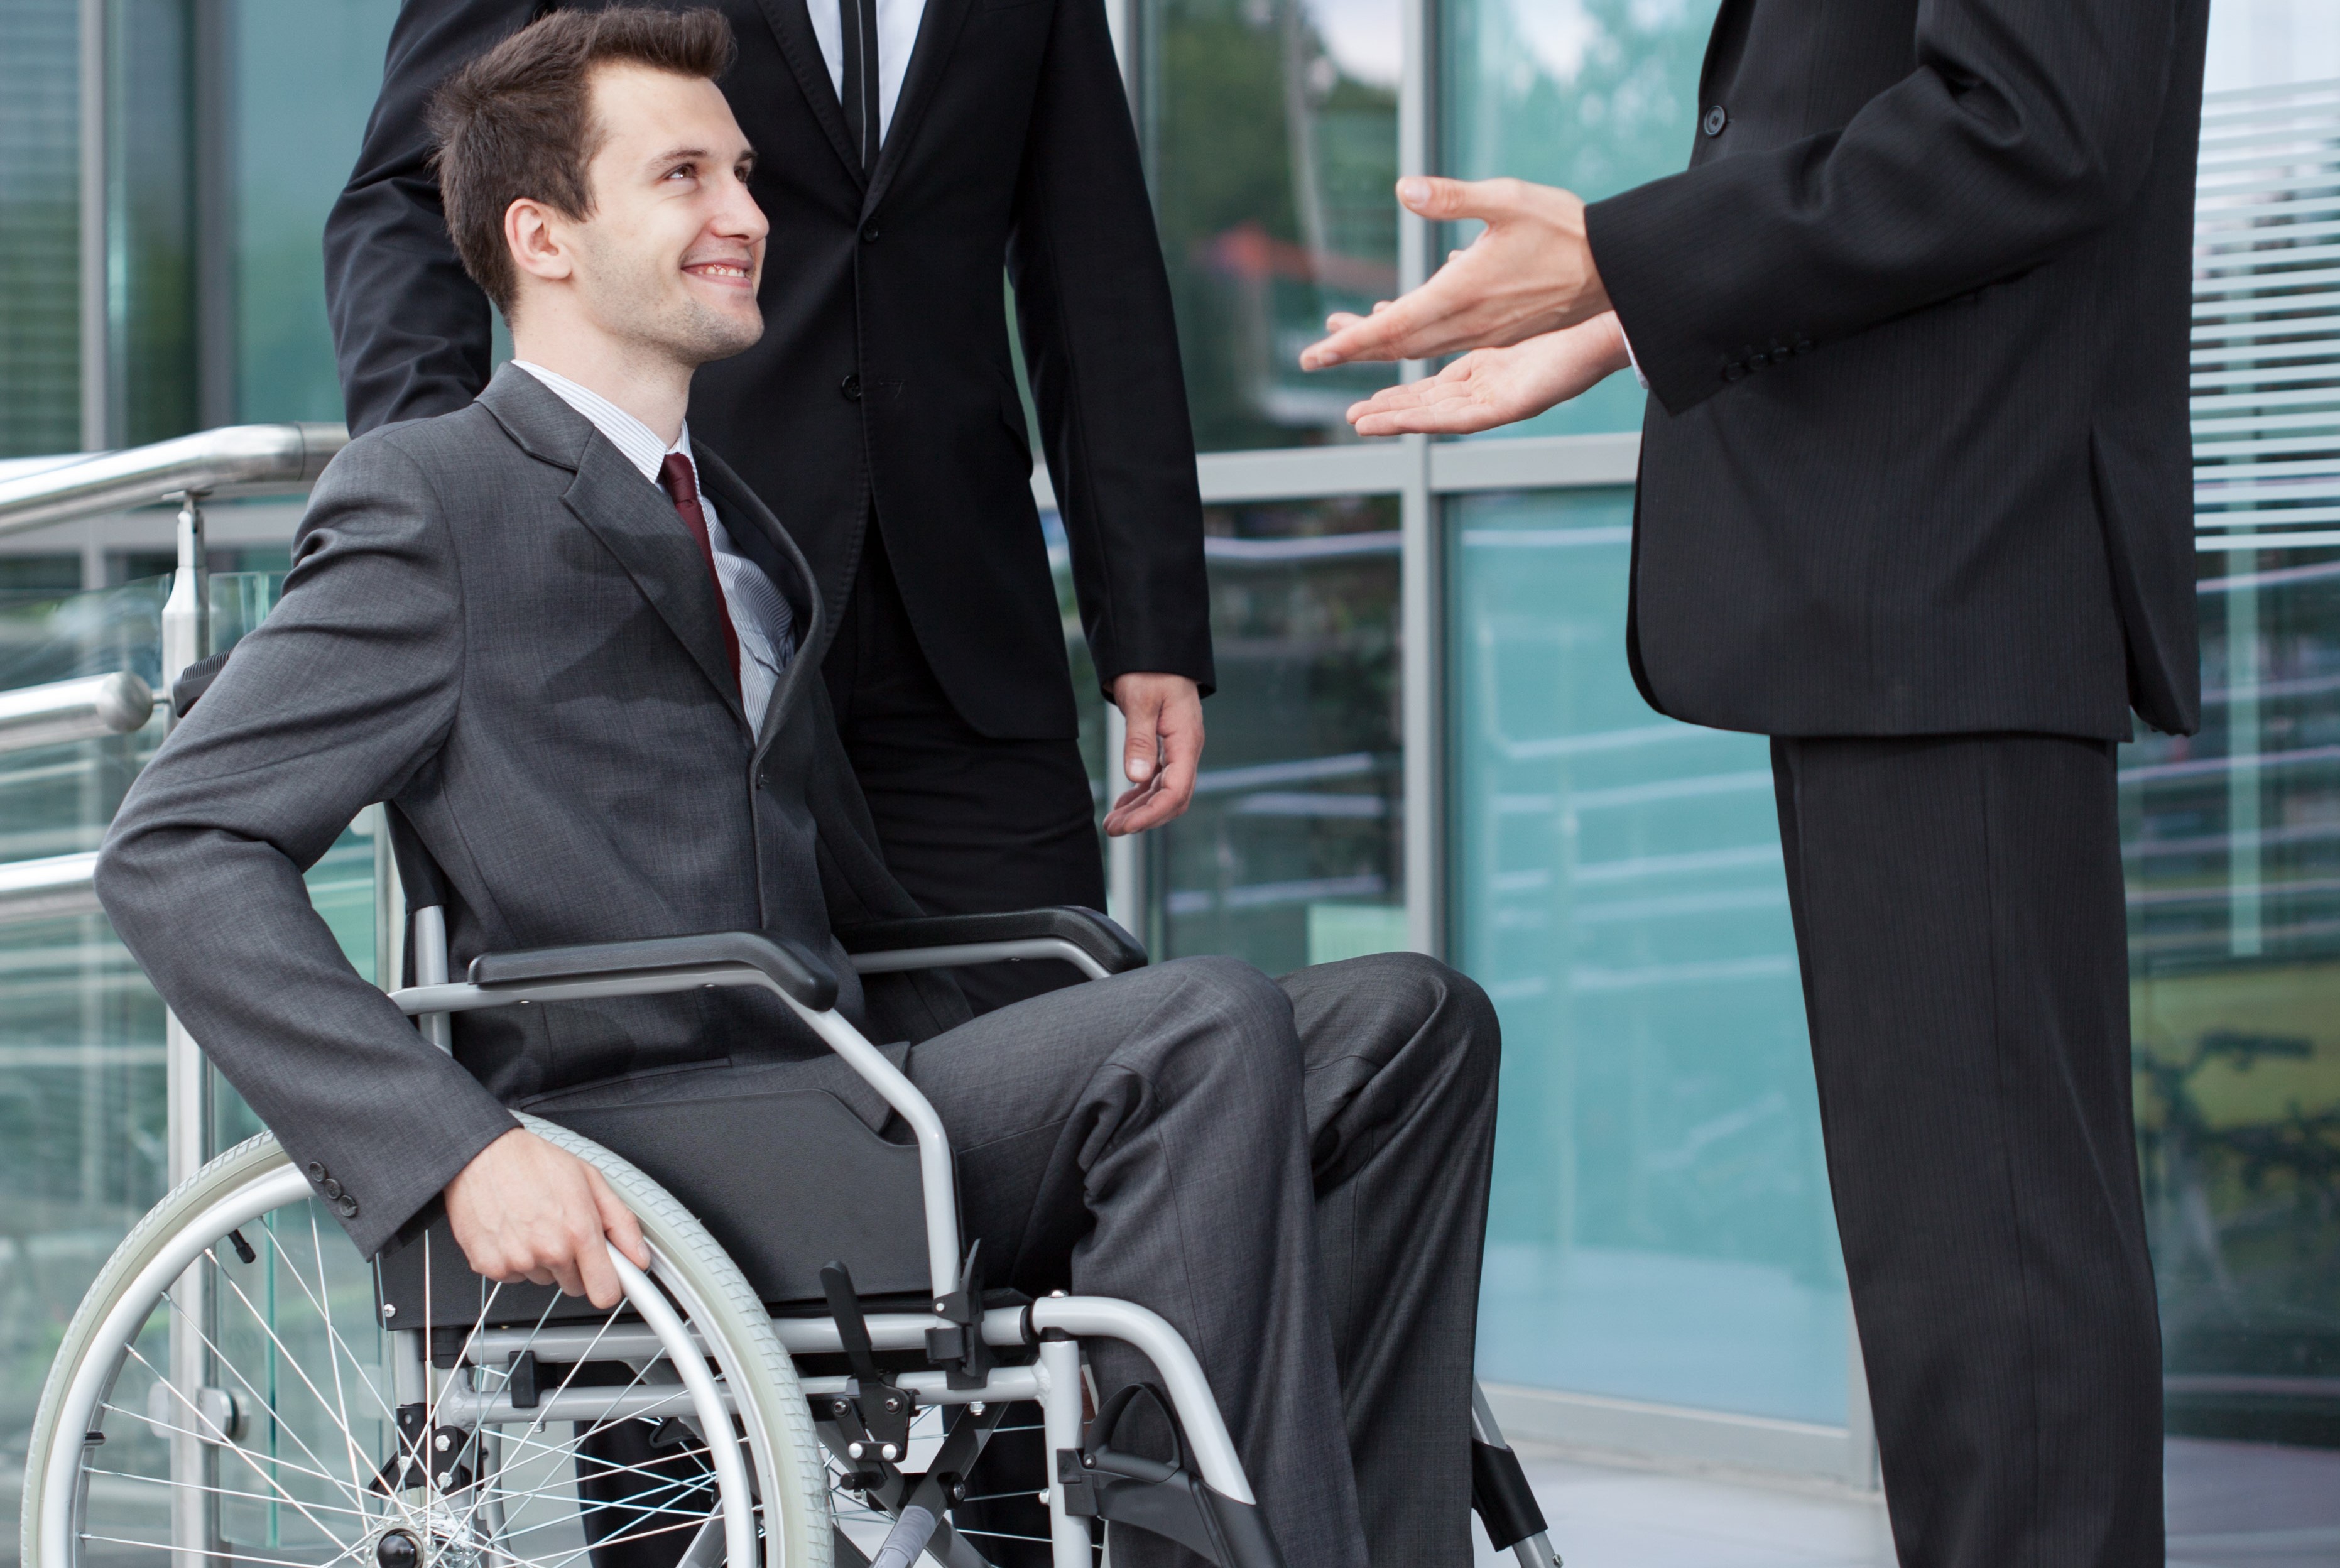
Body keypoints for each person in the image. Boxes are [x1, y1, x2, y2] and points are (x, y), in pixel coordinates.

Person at [96, 14, 1499, 1568]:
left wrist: (1045, 977)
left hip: (834, 1077)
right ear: (542, 236)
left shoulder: (741, 530)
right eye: (686, 175)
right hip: (667, 1123)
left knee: (1410, 1025)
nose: (748, 214)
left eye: (745, 172)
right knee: (1200, 1024)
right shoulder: (436, 504)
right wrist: (453, 1148)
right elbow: (178, 847)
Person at [1299, 0, 2208, 1564]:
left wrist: (1619, 259)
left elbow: (2033, 123)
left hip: (1955, 567)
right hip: (1923, 576)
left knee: (1996, 1303)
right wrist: (1621, 317)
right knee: (1963, 1293)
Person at [327, 0, 1211, 1009]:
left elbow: (1090, 252)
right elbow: (414, 191)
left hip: (965, 617)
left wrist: (1150, 620)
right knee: (699, 1058)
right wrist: (471, 501)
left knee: (1065, 1042)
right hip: (662, 583)